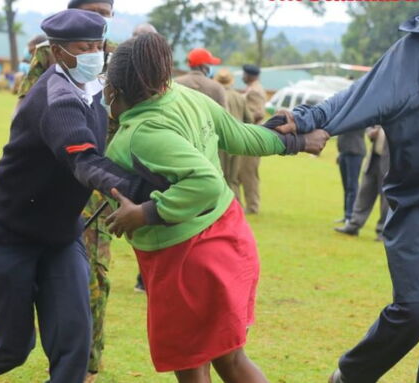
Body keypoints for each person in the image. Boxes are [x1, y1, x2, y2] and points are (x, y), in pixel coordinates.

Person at [100, 33, 329, 383]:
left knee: (192, 365)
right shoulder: (185, 97)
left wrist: (144, 213)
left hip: (187, 258)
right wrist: (295, 142)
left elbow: (205, 182)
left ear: (116, 89)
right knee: (230, 359)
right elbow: (243, 136)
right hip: (229, 237)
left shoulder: (140, 133)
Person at [0, 10, 154, 383]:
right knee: (11, 347)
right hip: (8, 236)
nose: (94, 53)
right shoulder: (56, 98)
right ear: (58, 54)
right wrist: (142, 193)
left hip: (60, 237)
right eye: (82, 47)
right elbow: (84, 161)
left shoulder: (96, 88)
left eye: (98, 45)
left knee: (75, 344)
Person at [267, 10, 419, 383]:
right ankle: (349, 375)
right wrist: (307, 118)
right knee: (416, 309)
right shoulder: (417, 52)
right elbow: (360, 95)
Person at [15, 2, 120, 381]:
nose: (102, 18)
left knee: (96, 276)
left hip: (99, 181)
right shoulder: (50, 53)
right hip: (55, 176)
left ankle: (87, 369)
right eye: (94, 9)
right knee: (48, 272)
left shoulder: (116, 56)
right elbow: (27, 109)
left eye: (108, 11)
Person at [335, 126, 389, 241]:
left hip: (389, 163)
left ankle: (383, 231)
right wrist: (370, 133)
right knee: (364, 193)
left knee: (386, 199)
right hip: (374, 158)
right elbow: (370, 127)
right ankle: (353, 225)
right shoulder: (383, 112)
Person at [214, 68, 254, 198]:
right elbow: (250, 119)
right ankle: (237, 211)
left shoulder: (215, 96)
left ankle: (224, 212)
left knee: (221, 177)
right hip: (237, 141)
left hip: (220, 142)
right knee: (233, 179)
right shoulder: (239, 97)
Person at [237, 64, 267, 214]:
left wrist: (241, 121)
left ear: (250, 75)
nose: (242, 77)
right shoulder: (253, 88)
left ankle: (252, 206)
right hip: (249, 136)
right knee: (241, 172)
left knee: (248, 172)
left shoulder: (255, 91)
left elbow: (258, 113)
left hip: (252, 137)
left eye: (244, 74)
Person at [334, 128, 366, 224]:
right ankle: (346, 215)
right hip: (344, 151)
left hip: (354, 151)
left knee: (352, 186)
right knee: (346, 186)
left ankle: (351, 216)